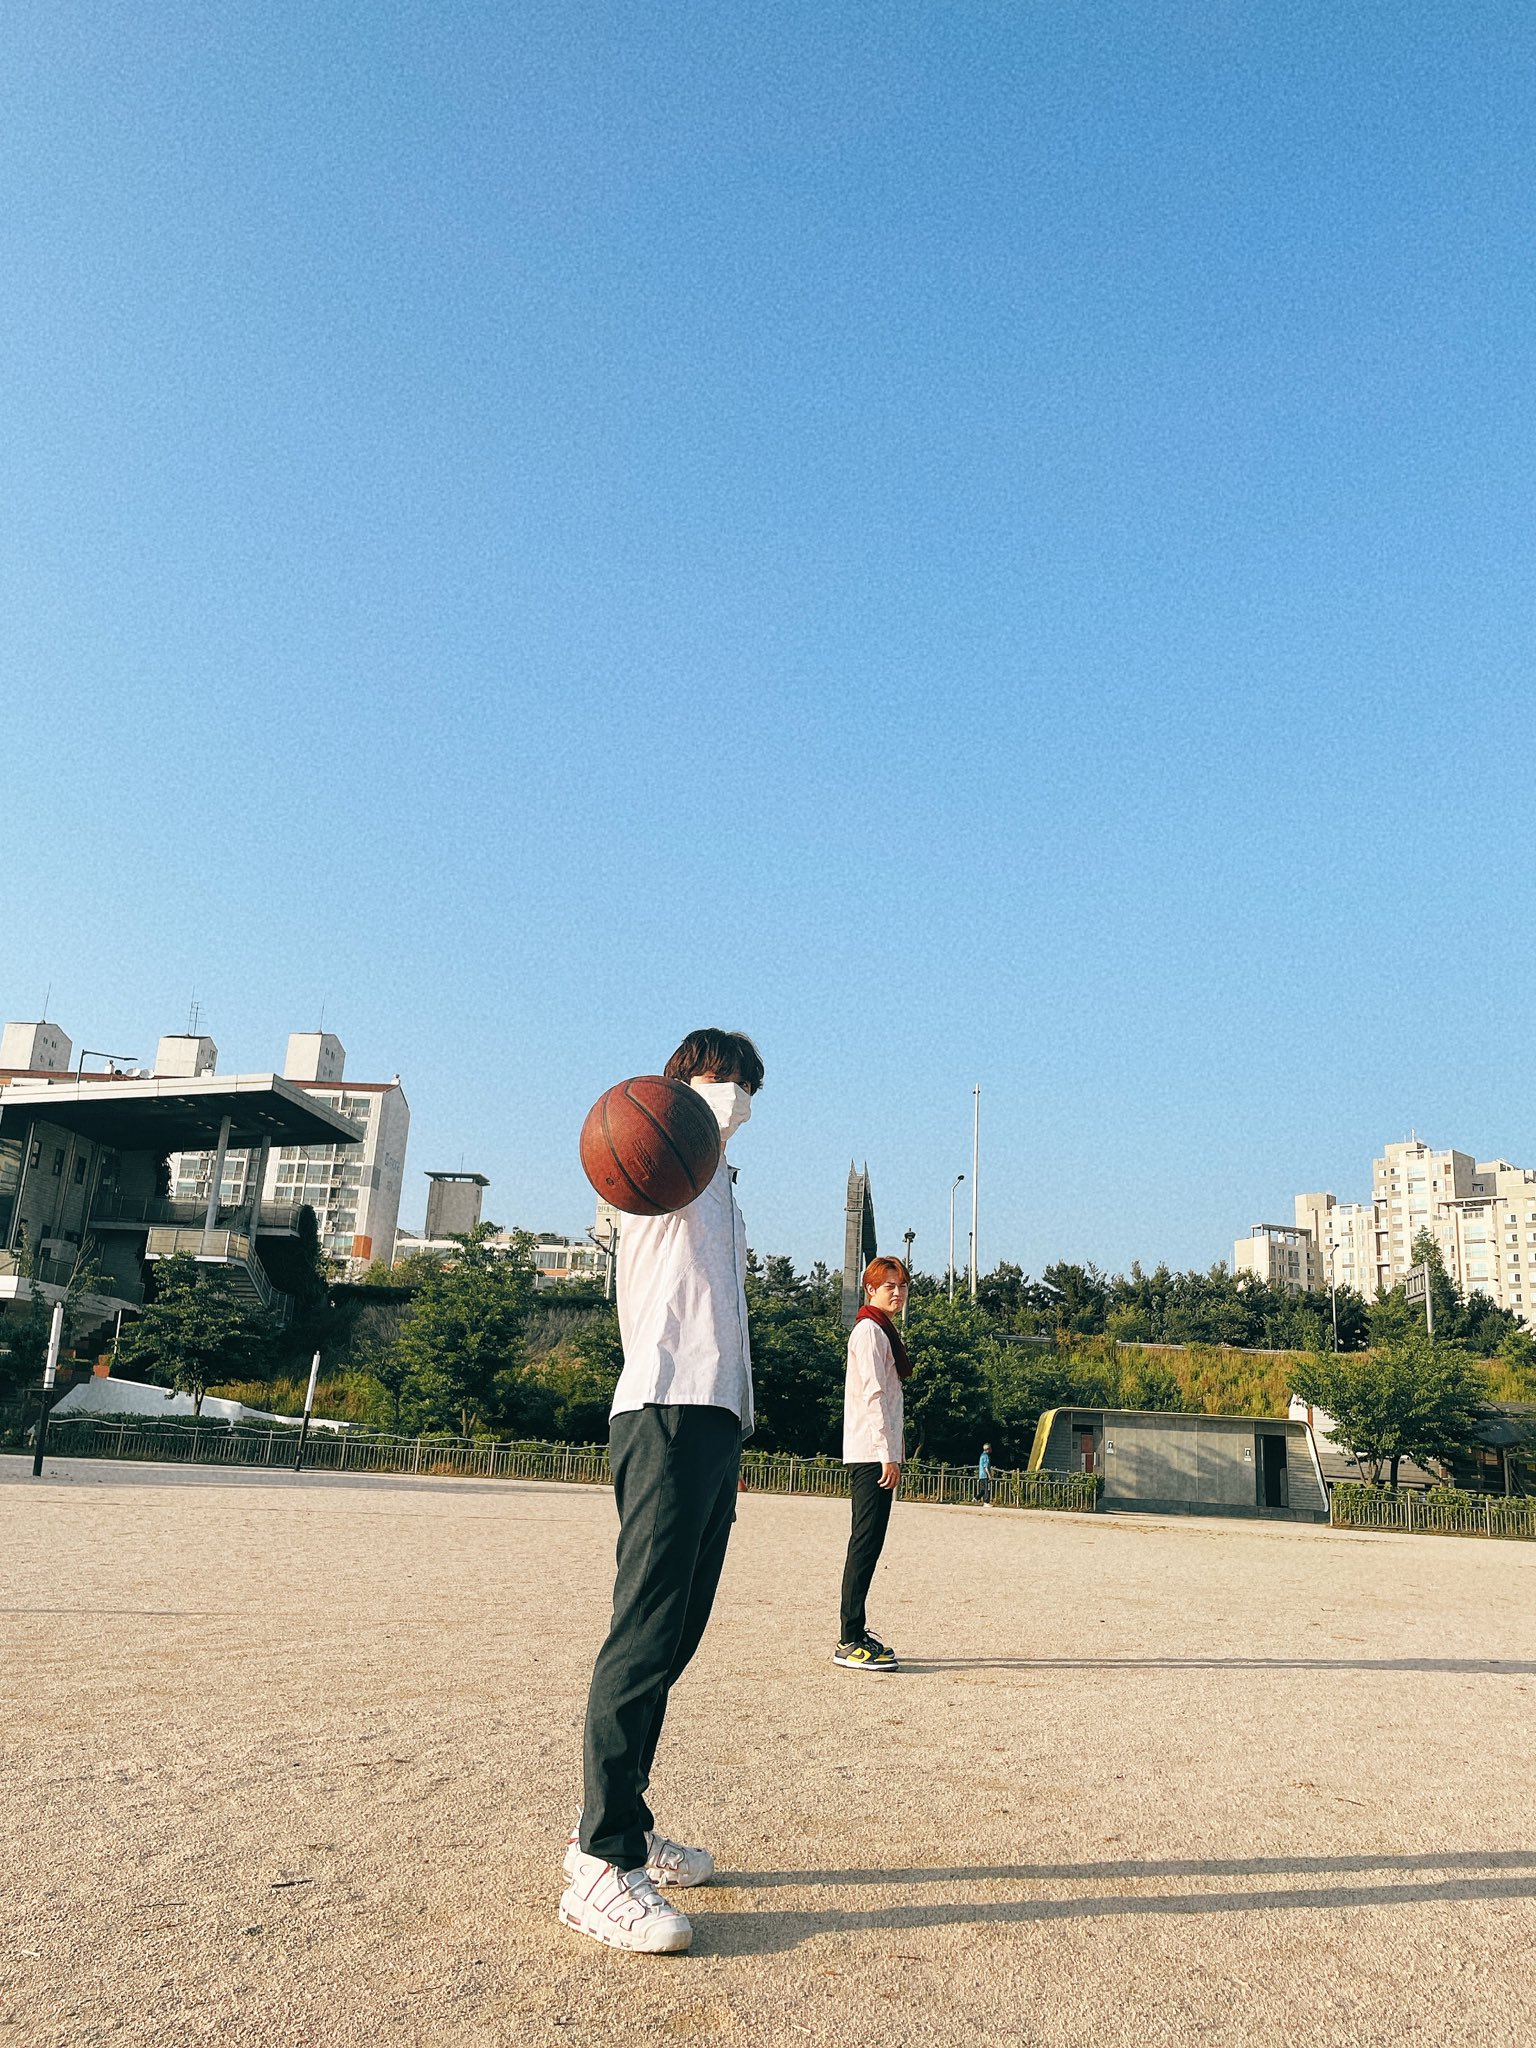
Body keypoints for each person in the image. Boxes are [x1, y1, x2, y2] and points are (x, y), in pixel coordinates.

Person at [559, 1028, 764, 1955]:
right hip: (663, 1410)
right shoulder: (657, 1162)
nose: (745, 1101)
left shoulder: (717, 1184)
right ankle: (600, 1862)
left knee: (676, 1637)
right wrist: (694, 1099)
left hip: (712, 1417)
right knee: (642, 1634)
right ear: (685, 1087)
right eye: (731, 1085)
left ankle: (629, 1826)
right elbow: (671, 1130)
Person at [834, 1255, 911, 1673]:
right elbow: (874, 1397)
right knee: (864, 1542)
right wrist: (887, 1454)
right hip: (870, 1454)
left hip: (877, 1452)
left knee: (870, 1542)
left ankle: (856, 1631)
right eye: (888, 1287)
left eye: (901, 1286)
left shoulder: (883, 1330)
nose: (896, 1293)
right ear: (870, 1290)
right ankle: (849, 1637)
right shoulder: (869, 1331)